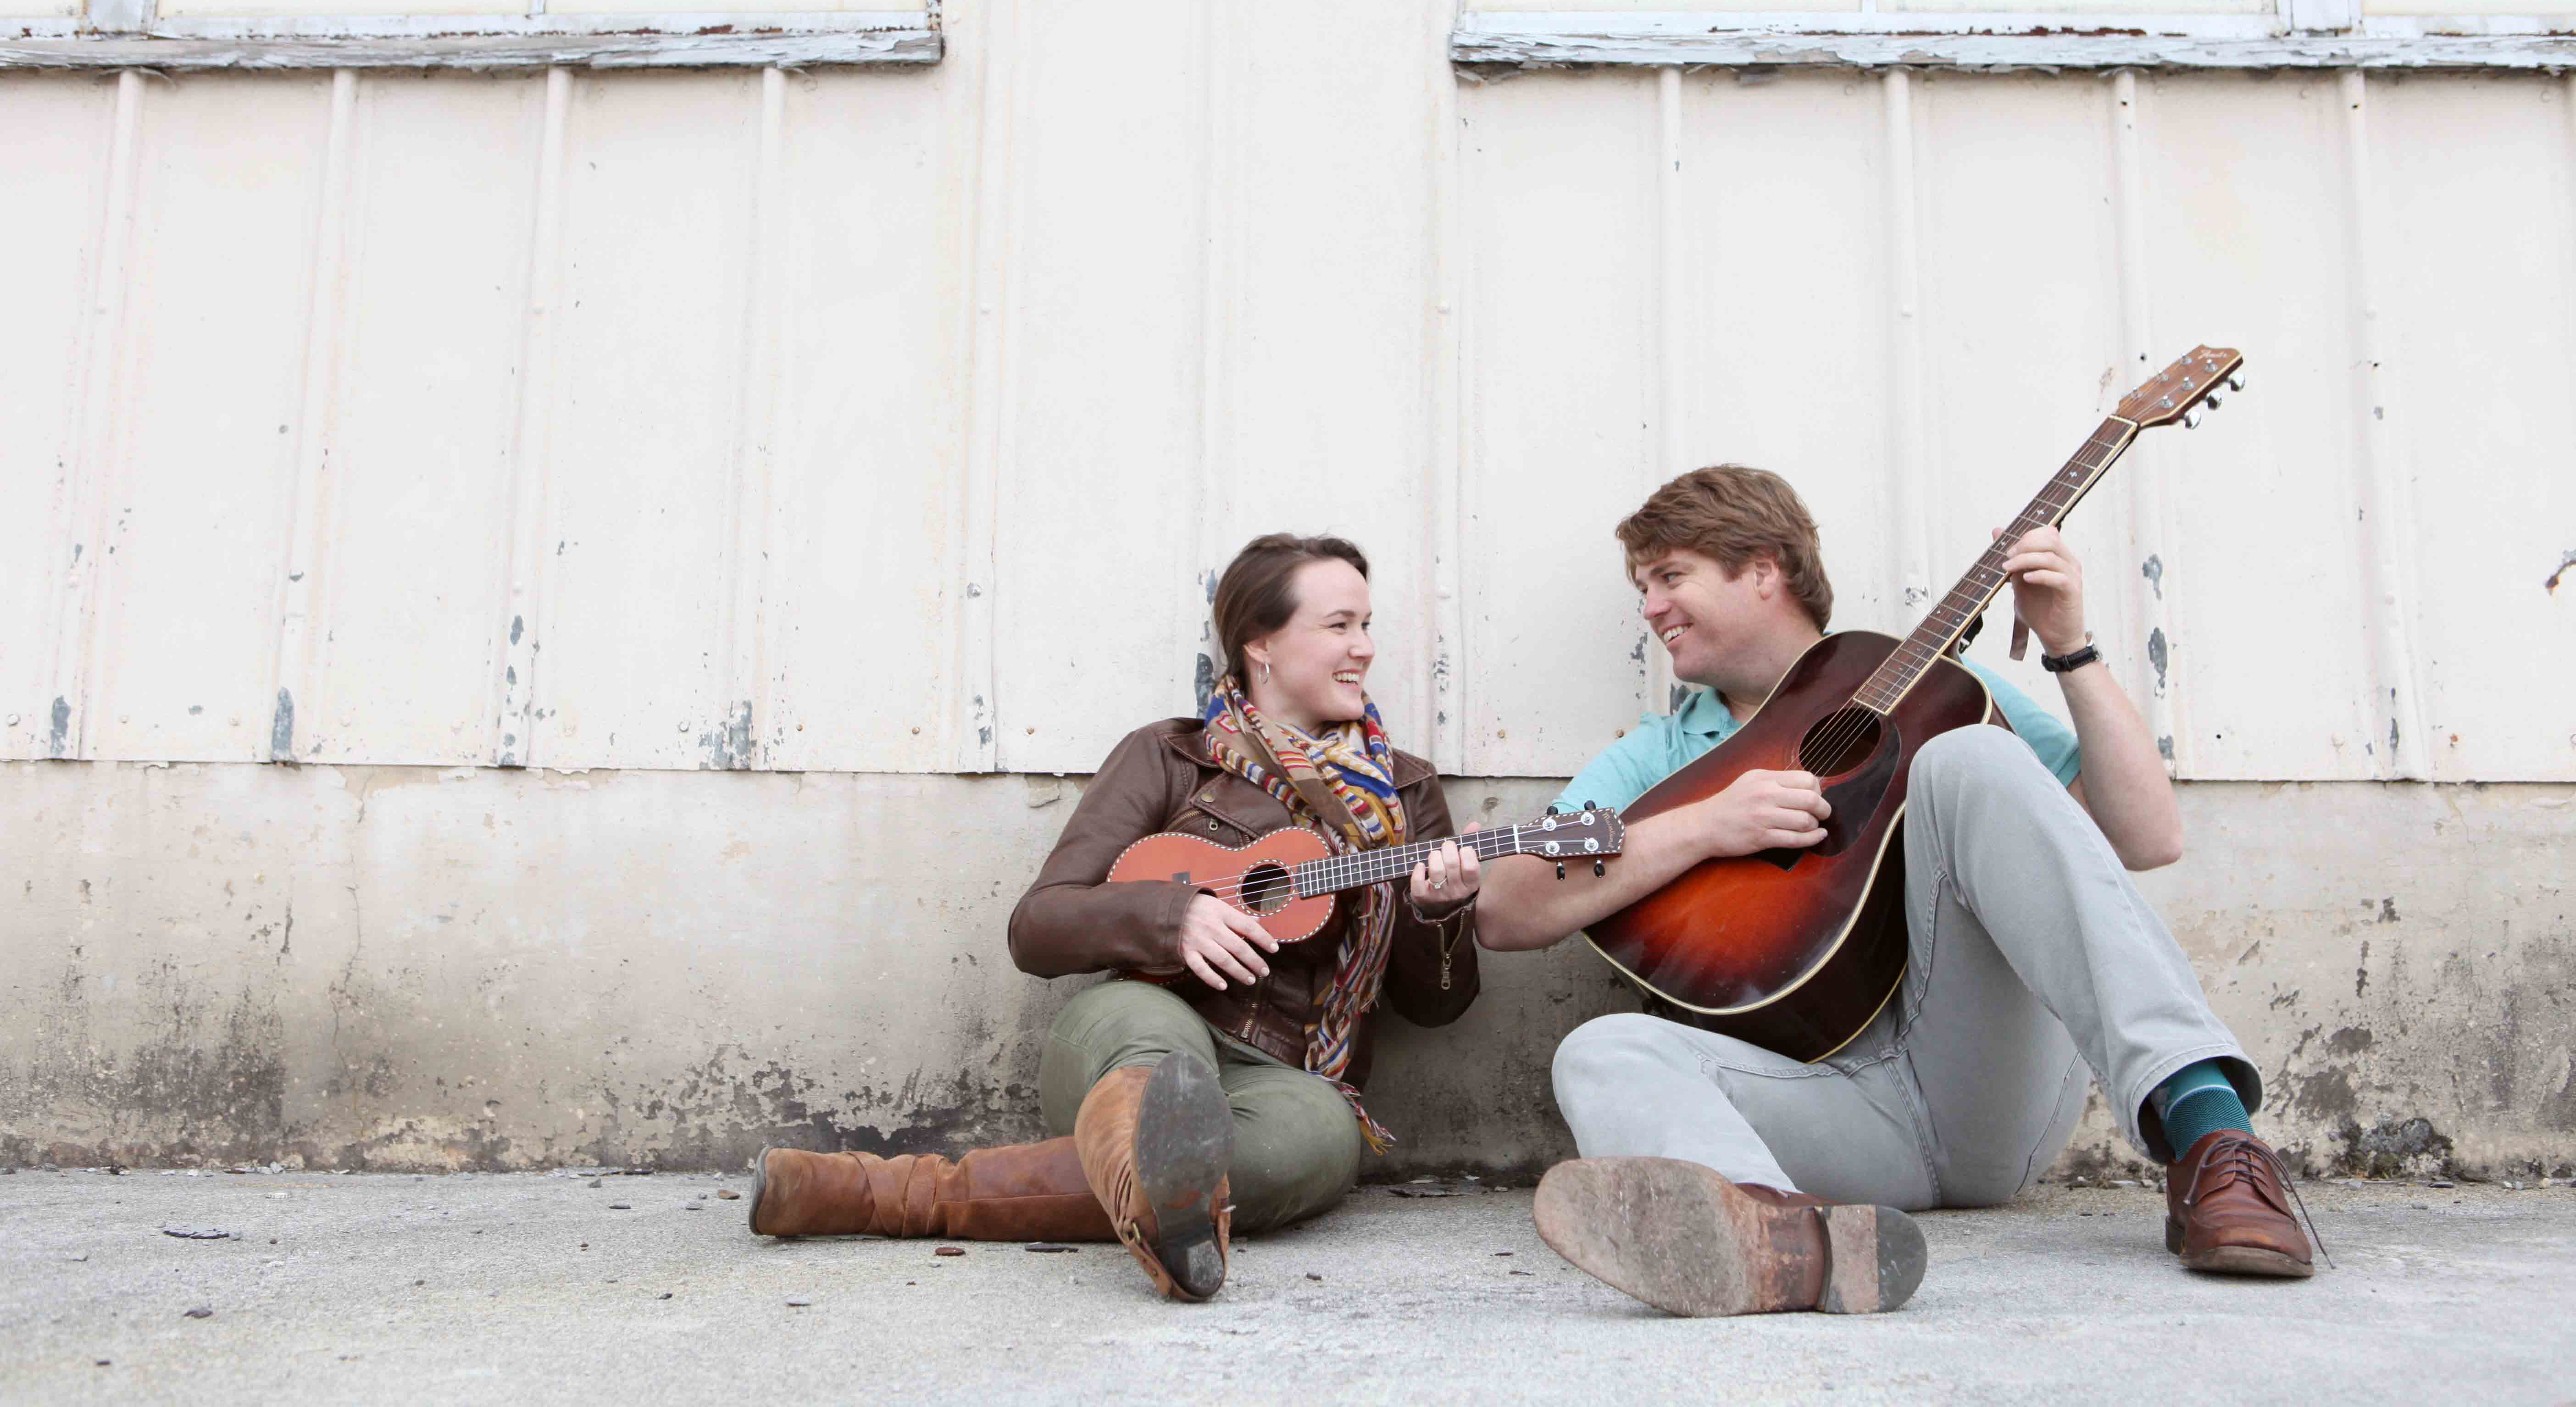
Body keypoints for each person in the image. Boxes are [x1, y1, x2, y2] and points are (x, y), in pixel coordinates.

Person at [1473, 465, 2316, 1318]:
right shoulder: (1661, 755)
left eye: (1670, 577)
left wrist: (2070, 647)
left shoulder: (1935, 689)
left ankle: (2210, 1132)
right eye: (1643, 588)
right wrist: (1708, 824)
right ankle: (1780, 1241)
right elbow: (1506, 909)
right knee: (1601, 1050)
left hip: (1979, 1081)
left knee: (1970, 756)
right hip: (1826, 1116)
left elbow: (2149, 839)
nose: (1650, 608)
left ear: (1762, 570)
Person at [746, 532, 1482, 1301]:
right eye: (1339, 626)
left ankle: (872, 1193)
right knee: (1156, 1061)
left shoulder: (1405, 792)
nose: (1365, 648)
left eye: (1367, 625)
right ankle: (907, 1196)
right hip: (1135, 1029)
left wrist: (1438, 913)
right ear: (1260, 645)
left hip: (1287, 1078)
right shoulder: (1169, 757)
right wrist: (1174, 917)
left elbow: (1437, 1007)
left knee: (1323, 1140)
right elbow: (1039, 926)